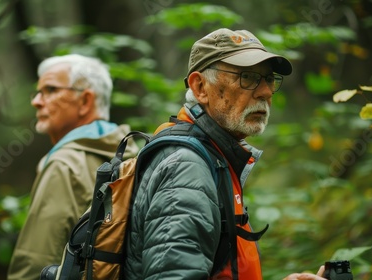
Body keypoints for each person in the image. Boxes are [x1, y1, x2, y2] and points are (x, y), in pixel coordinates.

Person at [123, 28, 326, 279]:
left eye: (269, 79)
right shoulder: (186, 168)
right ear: (200, 88)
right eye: (248, 77)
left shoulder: (214, 155)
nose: (264, 92)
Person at [7, 54, 138, 280]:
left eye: (50, 90)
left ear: (85, 101)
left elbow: (36, 260)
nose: (36, 101)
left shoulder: (64, 165)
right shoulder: (132, 156)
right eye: (38, 92)